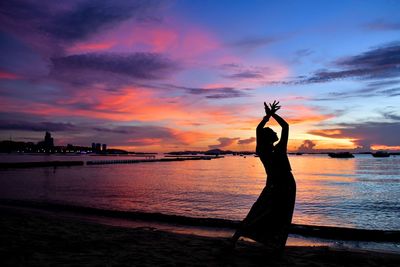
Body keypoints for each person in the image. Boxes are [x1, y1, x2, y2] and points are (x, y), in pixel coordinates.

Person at [230, 100, 296, 252]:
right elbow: (280, 127)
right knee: (268, 212)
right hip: (280, 184)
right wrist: (271, 115)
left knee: (274, 213)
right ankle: (239, 239)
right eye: (272, 131)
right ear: (268, 138)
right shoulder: (272, 150)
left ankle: (272, 243)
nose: (275, 132)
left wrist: (269, 116)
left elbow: (268, 129)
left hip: (280, 184)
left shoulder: (265, 151)